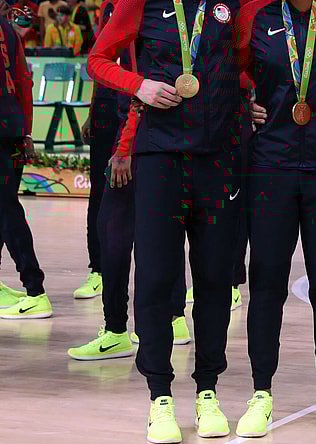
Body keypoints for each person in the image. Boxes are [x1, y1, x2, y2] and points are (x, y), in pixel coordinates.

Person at [88, 0, 245, 439]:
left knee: (214, 280)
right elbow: (98, 61)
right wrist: (138, 85)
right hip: (160, 155)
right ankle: (160, 397)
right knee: (156, 278)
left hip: (218, 157)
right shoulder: (141, 3)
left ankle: (208, 392)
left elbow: (246, 63)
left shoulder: (232, 5)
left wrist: (257, 99)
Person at [234, 0, 316, 436]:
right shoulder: (255, 13)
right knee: (267, 281)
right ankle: (261, 393)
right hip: (271, 163)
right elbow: (228, 68)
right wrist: (247, 100)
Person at [67, 0, 191, 362]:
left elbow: (137, 83)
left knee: (116, 232)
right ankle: (173, 319)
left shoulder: (139, 6)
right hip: (137, 128)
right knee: (159, 230)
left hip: (140, 133)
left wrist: (124, 147)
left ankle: (118, 329)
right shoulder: (118, 6)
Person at [0, 13, 53, 320]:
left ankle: (35, 290)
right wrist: (26, 132)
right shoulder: (7, 28)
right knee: (5, 207)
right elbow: (24, 80)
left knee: (6, 209)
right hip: (12, 124)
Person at [73, 0, 114, 301]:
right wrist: (91, 111)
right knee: (98, 193)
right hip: (106, 107)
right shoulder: (108, 7)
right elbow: (100, 62)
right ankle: (97, 271)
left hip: (141, 103)